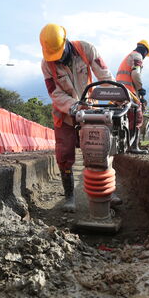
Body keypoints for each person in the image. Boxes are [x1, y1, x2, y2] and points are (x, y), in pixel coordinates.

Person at [39, 24, 114, 212]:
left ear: (65, 41)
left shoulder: (86, 49)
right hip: (64, 113)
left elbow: (104, 75)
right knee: (64, 154)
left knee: (99, 148)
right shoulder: (47, 64)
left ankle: (107, 192)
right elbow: (55, 93)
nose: (57, 58)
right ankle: (69, 195)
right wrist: (74, 106)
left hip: (89, 109)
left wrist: (115, 95)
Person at [116, 40, 149, 154]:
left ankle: (122, 146)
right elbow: (135, 74)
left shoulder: (129, 56)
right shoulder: (137, 56)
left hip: (119, 92)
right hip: (128, 92)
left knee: (124, 119)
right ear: (145, 52)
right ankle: (133, 146)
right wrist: (140, 89)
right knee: (137, 117)